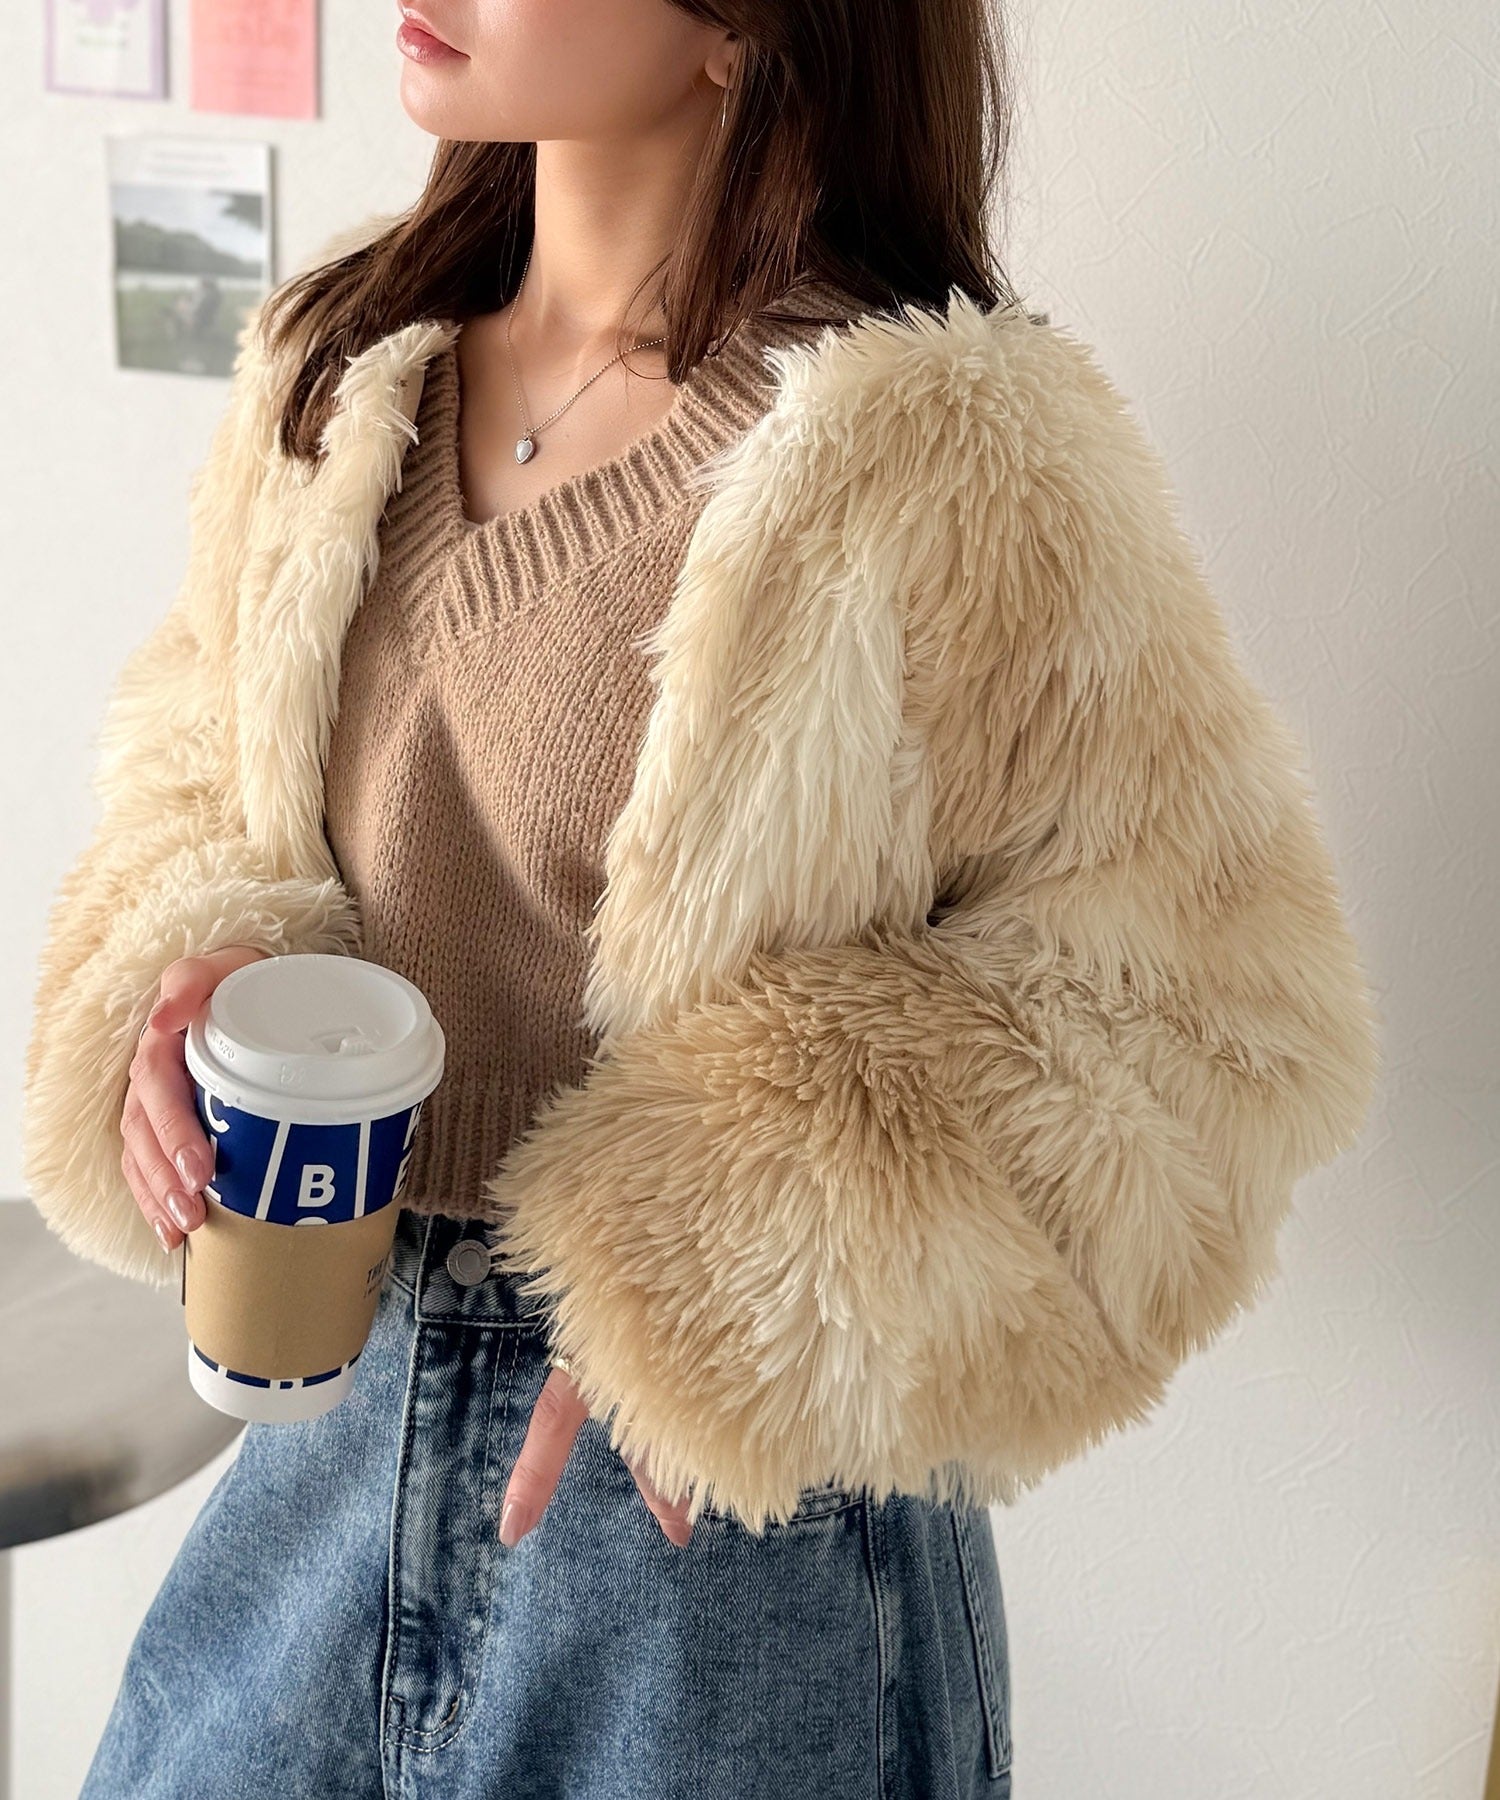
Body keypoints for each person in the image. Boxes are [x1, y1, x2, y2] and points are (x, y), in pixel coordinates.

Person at [20, 1, 1381, 1795]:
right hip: (327, 1413)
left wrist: (725, 1253)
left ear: (743, 25)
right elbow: (190, 775)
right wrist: (191, 977)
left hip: (716, 1537)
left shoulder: (948, 454)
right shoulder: (339, 372)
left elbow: (1214, 1022)